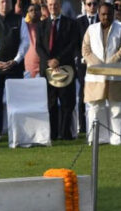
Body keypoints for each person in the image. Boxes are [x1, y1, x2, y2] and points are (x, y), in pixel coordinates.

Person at [81, 2, 121, 145]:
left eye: (108, 14)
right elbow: (85, 50)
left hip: (116, 75)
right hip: (95, 75)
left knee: (117, 108)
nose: (106, 17)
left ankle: (118, 138)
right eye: (103, 14)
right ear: (98, 14)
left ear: (113, 14)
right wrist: (99, 65)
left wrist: (110, 64)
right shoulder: (91, 29)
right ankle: (98, 138)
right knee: (95, 107)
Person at [0, 0, 28, 140]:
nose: (5, 4)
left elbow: (25, 42)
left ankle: (17, 132)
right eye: (2, 2)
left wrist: (16, 60)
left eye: (7, 1)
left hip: (14, 67)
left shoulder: (19, 20)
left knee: (16, 102)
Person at [36, 0, 78, 140]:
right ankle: (52, 134)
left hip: (65, 68)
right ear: (47, 7)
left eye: (55, 4)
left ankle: (65, 133)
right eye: (50, 5)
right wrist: (49, 61)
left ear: (60, 5)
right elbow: (39, 47)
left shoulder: (70, 23)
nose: (53, 7)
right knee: (51, 103)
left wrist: (58, 60)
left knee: (67, 102)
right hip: (47, 70)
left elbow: (72, 45)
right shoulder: (41, 25)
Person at [75, 0, 99, 136]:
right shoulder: (78, 22)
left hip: (99, 63)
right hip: (83, 64)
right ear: (84, 5)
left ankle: (97, 121)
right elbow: (75, 43)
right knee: (83, 93)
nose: (92, 7)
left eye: (94, 4)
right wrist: (81, 57)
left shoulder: (102, 20)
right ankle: (83, 125)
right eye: (89, 4)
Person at [23, 3, 41, 78]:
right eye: (31, 10)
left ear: (40, 12)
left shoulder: (46, 25)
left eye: (36, 10)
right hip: (28, 70)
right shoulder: (24, 26)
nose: (34, 12)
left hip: (42, 68)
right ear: (28, 13)